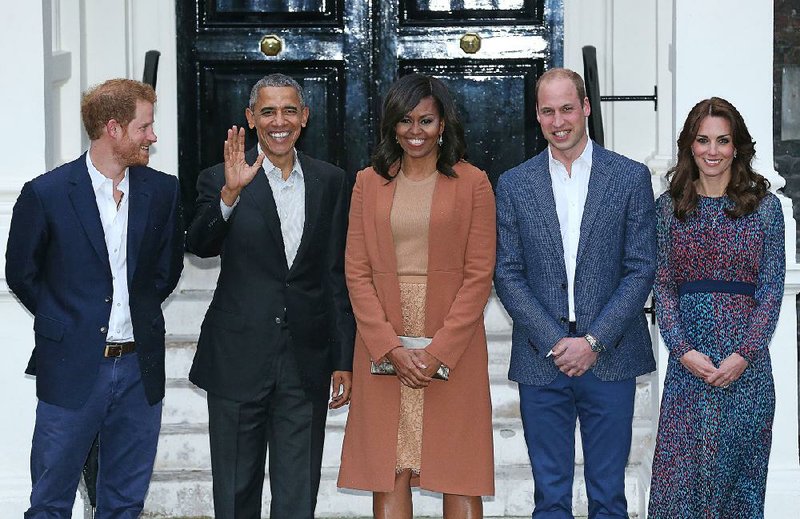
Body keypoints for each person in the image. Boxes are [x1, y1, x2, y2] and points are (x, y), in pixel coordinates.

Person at [5, 78, 184, 518]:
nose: (153, 137)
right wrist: (67, 321)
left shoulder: (162, 191)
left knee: (124, 502)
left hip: (140, 370)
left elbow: (166, 271)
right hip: (71, 368)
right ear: (114, 128)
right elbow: (21, 273)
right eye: (145, 127)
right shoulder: (45, 194)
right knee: (50, 501)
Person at [186, 73, 355, 519]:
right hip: (238, 356)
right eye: (267, 111)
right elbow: (199, 243)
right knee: (236, 491)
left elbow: (334, 275)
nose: (278, 121)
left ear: (304, 117)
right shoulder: (218, 177)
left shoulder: (331, 180)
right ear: (250, 118)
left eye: (288, 110)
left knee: (298, 494)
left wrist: (343, 357)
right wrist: (230, 193)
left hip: (306, 359)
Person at [494, 67, 657, 518]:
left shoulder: (629, 177)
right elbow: (506, 272)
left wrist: (593, 341)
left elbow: (641, 267)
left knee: (608, 495)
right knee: (550, 496)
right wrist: (553, 341)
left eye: (567, 108)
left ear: (586, 108)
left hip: (611, 356)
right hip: (540, 357)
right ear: (538, 116)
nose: (558, 120)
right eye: (548, 111)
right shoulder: (514, 183)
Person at [337, 73, 496, 518]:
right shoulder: (368, 182)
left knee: (458, 468)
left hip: (454, 341)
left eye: (426, 120)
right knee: (391, 468)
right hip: (383, 332)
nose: (415, 131)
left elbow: (479, 274)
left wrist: (439, 350)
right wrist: (388, 345)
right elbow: (356, 271)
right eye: (405, 120)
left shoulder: (473, 182)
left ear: (443, 124)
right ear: (392, 125)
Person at [648, 97, 785, 518]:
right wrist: (683, 350)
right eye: (703, 140)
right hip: (688, 369)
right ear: (689, 145)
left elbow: (771, 289)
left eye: (722, 141)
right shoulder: (669, 209)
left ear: (736, 146)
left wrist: (743, 355)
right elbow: (664, 286)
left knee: (737, 491)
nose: (712, 151)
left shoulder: (765, 210)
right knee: (678, 490)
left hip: (747, 372)